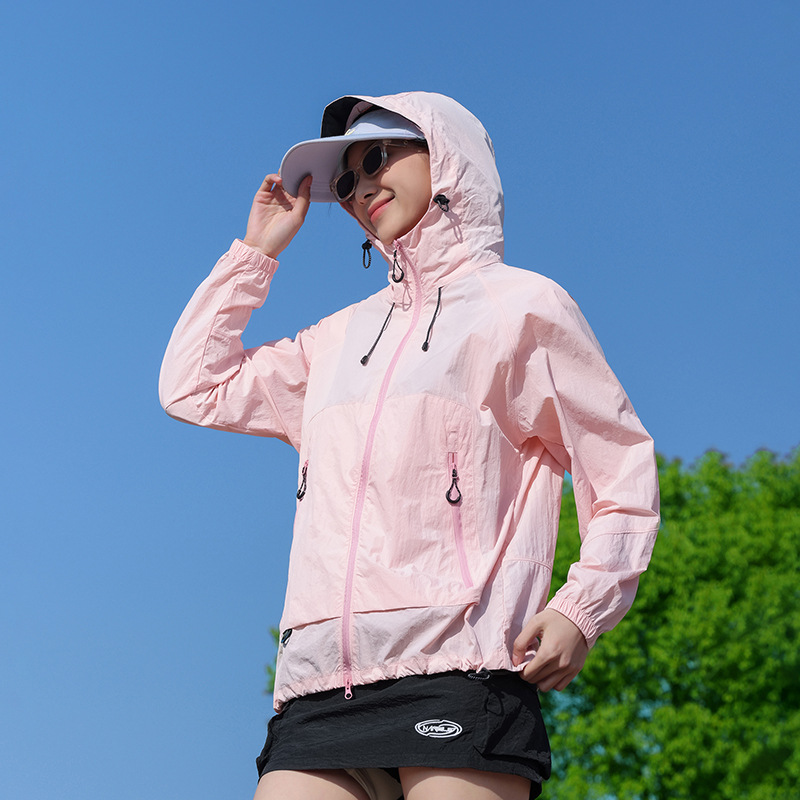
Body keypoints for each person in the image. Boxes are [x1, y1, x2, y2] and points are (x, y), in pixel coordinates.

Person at [159, 92, 660, 800]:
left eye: (376, 158)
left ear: (445, 154)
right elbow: (192, 385)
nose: (361, 186)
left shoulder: (522, 308)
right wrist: (256, 252)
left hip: (460, 670)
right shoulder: (333, 341)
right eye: (345, 181)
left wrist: (582, 609)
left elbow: (621, 475)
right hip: (318, 687)